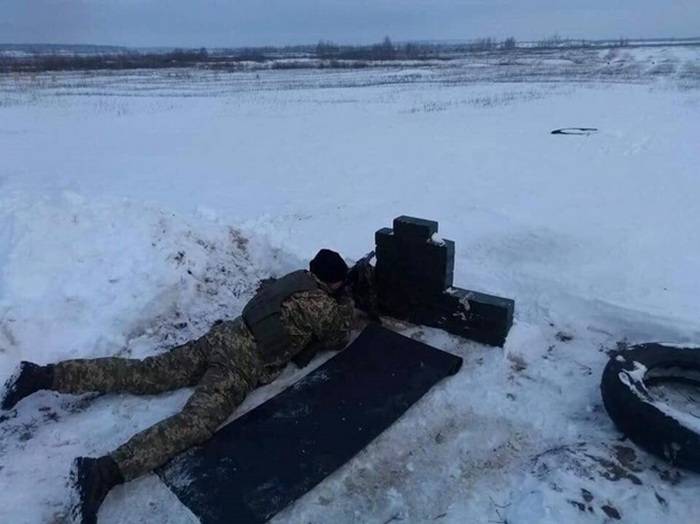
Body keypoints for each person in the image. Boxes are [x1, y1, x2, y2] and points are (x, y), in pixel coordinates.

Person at [1, 249, 356, 524]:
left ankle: (43, 376)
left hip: (222, 337)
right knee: (193, 424)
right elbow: (338, 336)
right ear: (333, 282)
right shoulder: (320, 303)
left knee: (144, 373)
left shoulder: (295, 279)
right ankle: (103, 472)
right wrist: (348, 302)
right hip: (240, 364)